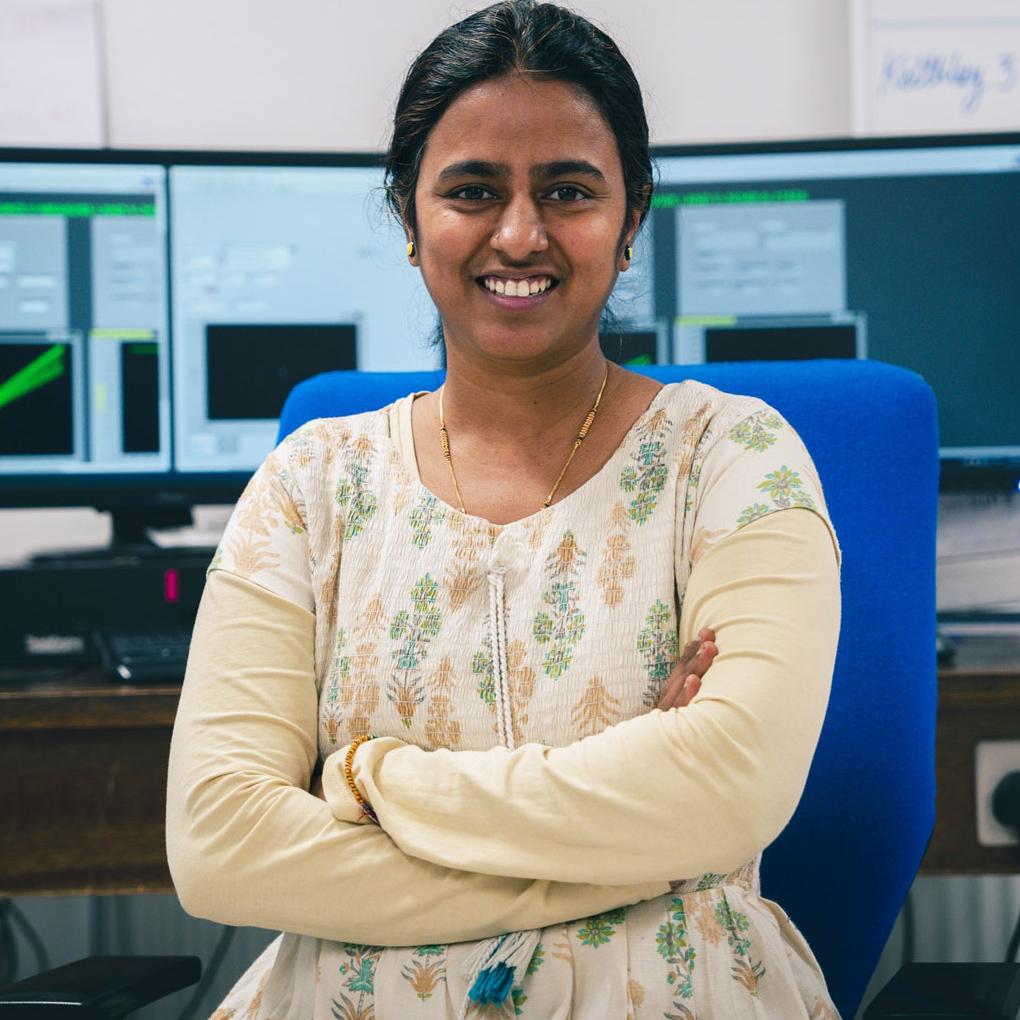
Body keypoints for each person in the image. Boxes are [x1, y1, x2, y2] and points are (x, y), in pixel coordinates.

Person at [166, 2, 843, 1017]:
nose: (519, 233)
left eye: (567, 190)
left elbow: (733, 784)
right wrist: (632, 848)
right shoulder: (310, 486)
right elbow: (219, 844)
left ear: (630, 218)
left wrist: (372, 779)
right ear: (408, 219)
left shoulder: (733, 457)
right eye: (473, 190)